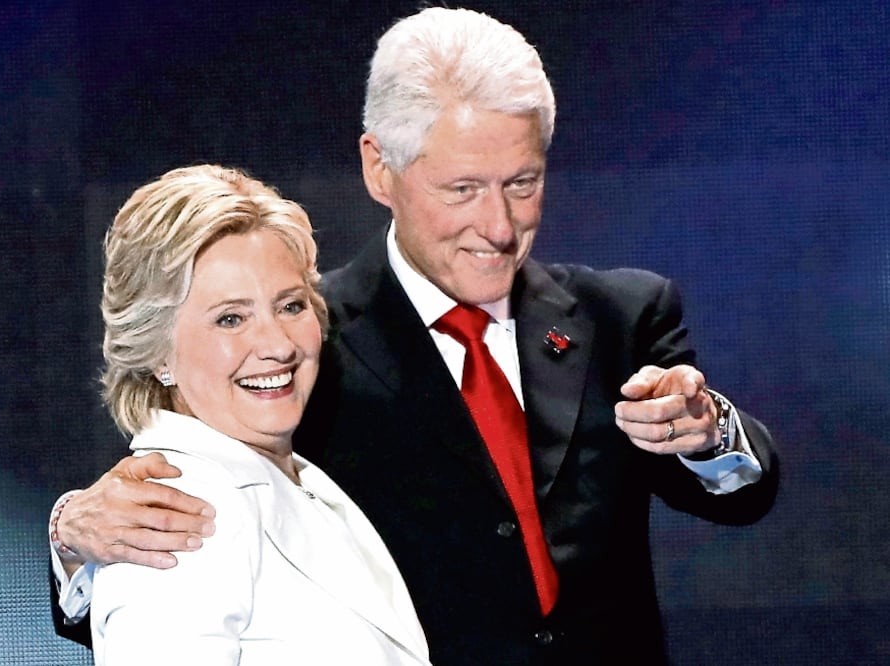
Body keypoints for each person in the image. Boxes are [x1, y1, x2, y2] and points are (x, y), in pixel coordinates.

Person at [48, 8, 779, 664]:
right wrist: (72, 537)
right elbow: (173, 542)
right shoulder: (305, 344)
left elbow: (741, 495)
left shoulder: (622, 315)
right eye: (462, 188)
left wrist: (710, 431)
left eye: (522, 183)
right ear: (380, 168)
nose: (499, 226)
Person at [76, 164, 431, 665]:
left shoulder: (301, 482)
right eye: (231, 319)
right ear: (156, 350)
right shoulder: (179, 514)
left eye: (290, 306)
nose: (277, 345)